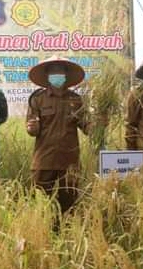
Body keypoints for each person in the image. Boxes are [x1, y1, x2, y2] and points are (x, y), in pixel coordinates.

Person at [26, 55, 97, 218]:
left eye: (60, 72)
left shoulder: (76, 99)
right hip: (44, 161)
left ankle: (67, 236)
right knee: (42, 204)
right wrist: (32, 128)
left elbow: (87, 127)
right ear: (47, 76)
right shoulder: (38, 99)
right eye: (53, 72)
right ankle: (42, 236)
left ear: (65, 76)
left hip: (69, 161)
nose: (57, 75)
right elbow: (31, 129)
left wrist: (99, 124)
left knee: (69, 205)